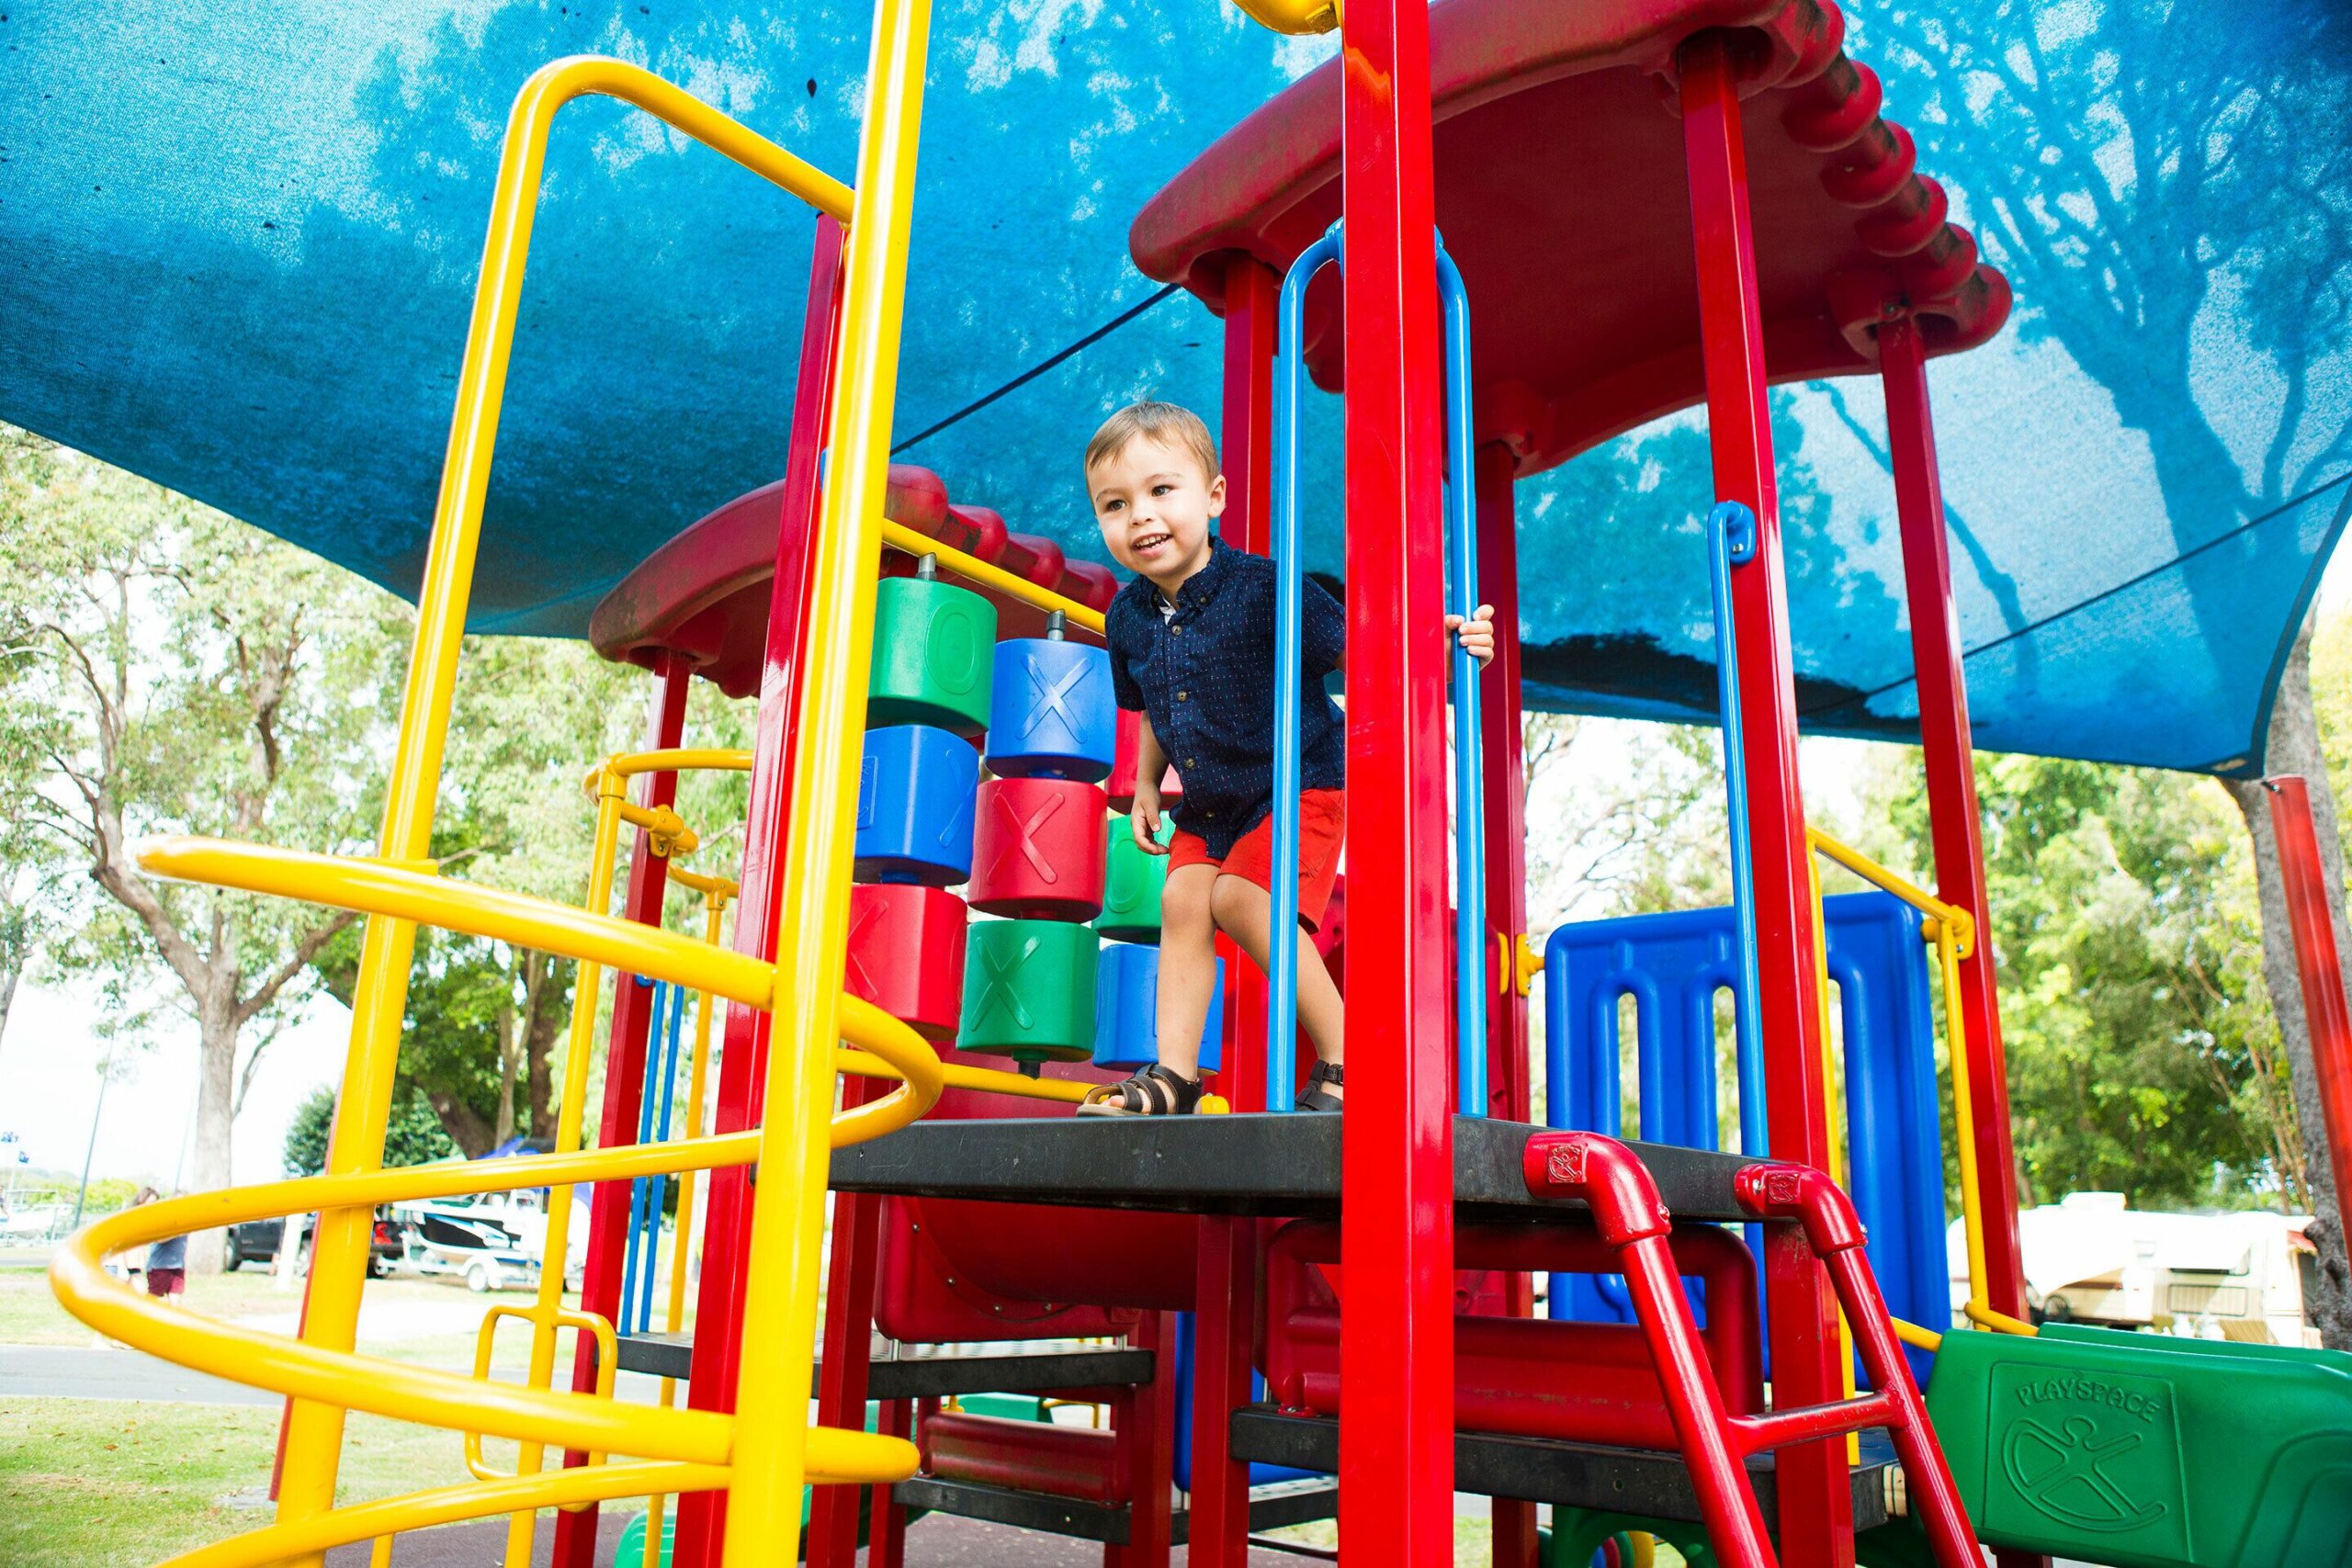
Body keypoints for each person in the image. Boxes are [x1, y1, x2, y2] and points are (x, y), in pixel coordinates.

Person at [1077, 400, 1492, 1116]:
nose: (1140, 515)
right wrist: (1145, 780)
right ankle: (1175, 1074)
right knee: (1179, 900)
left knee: (1240, 898)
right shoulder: (1126, 618)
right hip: (1210, 801)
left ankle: (1352, 1054)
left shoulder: (1268, 590)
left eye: (1161, 491)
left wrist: (1448, 642)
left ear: (1213, 498)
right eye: (1116, 504)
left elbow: (1368, 652)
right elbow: (1147, 704)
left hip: (1298, 783)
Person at [134, 1187, 188, 1304]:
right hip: (159, 1267)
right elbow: (160, 1239)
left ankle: (174, 1322)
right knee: (153, 1298)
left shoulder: (187, 1219)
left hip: (178, 1266)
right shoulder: (166, 1218)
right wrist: (180, 1231)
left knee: (175, 1297)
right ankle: (140, 1317)